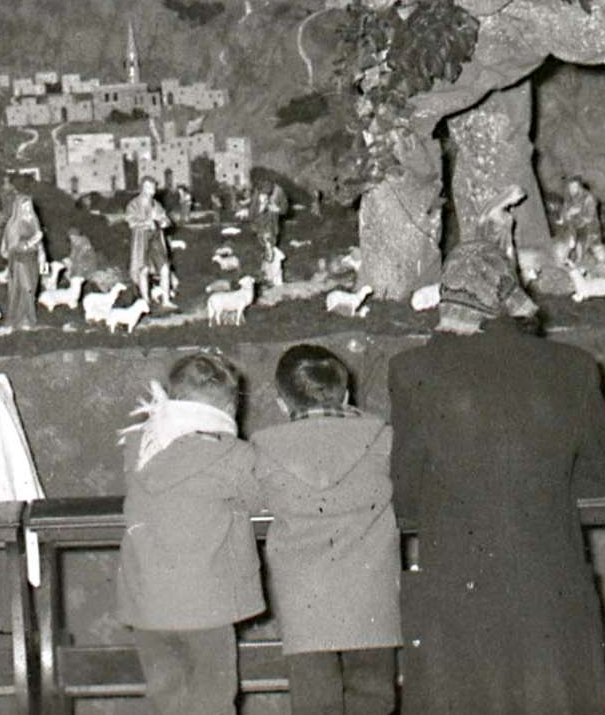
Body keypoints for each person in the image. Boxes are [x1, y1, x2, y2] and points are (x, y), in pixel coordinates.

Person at [388, 207, 605, 715]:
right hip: (549, 583)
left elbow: (405, 494)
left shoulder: (414, 371)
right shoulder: (573, 367)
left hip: (459, 588)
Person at [251, 345, 399, 715]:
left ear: (282, 403)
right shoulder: (382, 439)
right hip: (372, 599)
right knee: (373, 699)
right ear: (346, 394)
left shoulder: (264, 450)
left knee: (314, 703)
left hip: (305, 604)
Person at [116, 353, 262, 715]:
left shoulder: (140, 447)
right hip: (207, 606)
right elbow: (260, 498)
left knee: (168, 701)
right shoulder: (231, 453)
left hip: (148, 605)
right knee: (214, 702)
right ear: (229, 408)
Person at [125, 178, 174, 306]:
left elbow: (166, 220)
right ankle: (146, 301)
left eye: (154, 186)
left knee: (165, 269)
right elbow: (131, 222)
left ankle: (166, 301)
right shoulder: (133, 204)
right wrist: (147, 223)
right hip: (142, 240)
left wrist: (163, 223)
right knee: (143, 270)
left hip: (156, 240)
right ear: (143, 188)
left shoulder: (156, 204)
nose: (153, 189)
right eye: (149, 186)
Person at [0, 190, 44, 328]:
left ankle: (27, 318)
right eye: (24, 207)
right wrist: (32, 241)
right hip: (19, 261)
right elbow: (12, 247)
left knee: (32, 288)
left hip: (32, 260)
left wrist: (43, 257)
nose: (27, 210)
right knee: (25, 288)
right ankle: (22, 319)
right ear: (18, 208)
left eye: (29, 206)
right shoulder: (13, 224)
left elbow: (40, 242)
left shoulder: (34, 220)